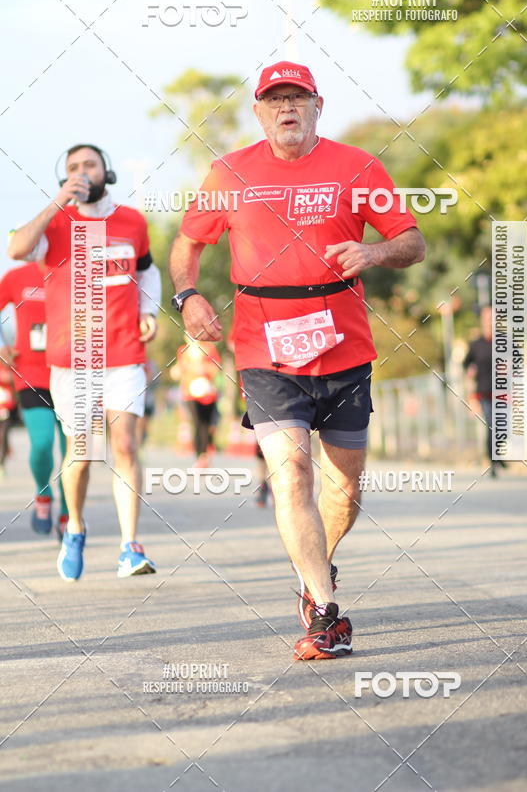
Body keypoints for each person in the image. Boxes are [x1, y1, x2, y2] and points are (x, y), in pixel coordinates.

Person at [169, 61, 425, 659]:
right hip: (264, 346)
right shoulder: (228, 172)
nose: (286, 107)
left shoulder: (359, 166)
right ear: (259, 111)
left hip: (345, 344)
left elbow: (412, 242)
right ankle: (323, 611)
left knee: (346, 486)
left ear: (318, 105)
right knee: (293, 473)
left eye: (298, 98)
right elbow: (188, 244)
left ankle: (318, 568)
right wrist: (189, 296)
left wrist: (374, 251)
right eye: (274, 99)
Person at [8, 143, 161, 580]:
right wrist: (59, 200)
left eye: (88, 164)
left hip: (124, 352)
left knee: (125, 445)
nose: (81, 171)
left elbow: (147, 268)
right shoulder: (55, 223)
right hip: (72, 359)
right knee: (83, 452)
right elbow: (18, 249)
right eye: (72, 167)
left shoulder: (131, 220)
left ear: (105, 171)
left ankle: (130, 546)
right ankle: (74, 526)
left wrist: (148, 309)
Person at [0, 260, 68, 537]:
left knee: (73, 452)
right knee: (42, 443)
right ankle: (43, 494)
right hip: (31, 374)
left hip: (72, 372)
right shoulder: (18, 276)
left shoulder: (74, 271)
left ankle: (68, 513)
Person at [463, 305, 507, 478]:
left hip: (503, 391)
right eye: (487, 318)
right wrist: (470, 370)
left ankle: (499, 456)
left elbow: (518, 360)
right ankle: (494, 461)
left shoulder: (505, 341)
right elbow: (466, 364)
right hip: (484, 391)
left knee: (503, 425)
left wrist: (510, 366)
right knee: (491, 424)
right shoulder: (476, 344)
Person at [170, 338, 221, 467]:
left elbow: (216, 368)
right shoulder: (183, 350)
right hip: (189, 393)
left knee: (207, 424)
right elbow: (179, 369)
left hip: (208, 393)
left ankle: (205, 453)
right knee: (197, 423)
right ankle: (200, 456)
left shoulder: (209, 349)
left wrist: (203, 369)